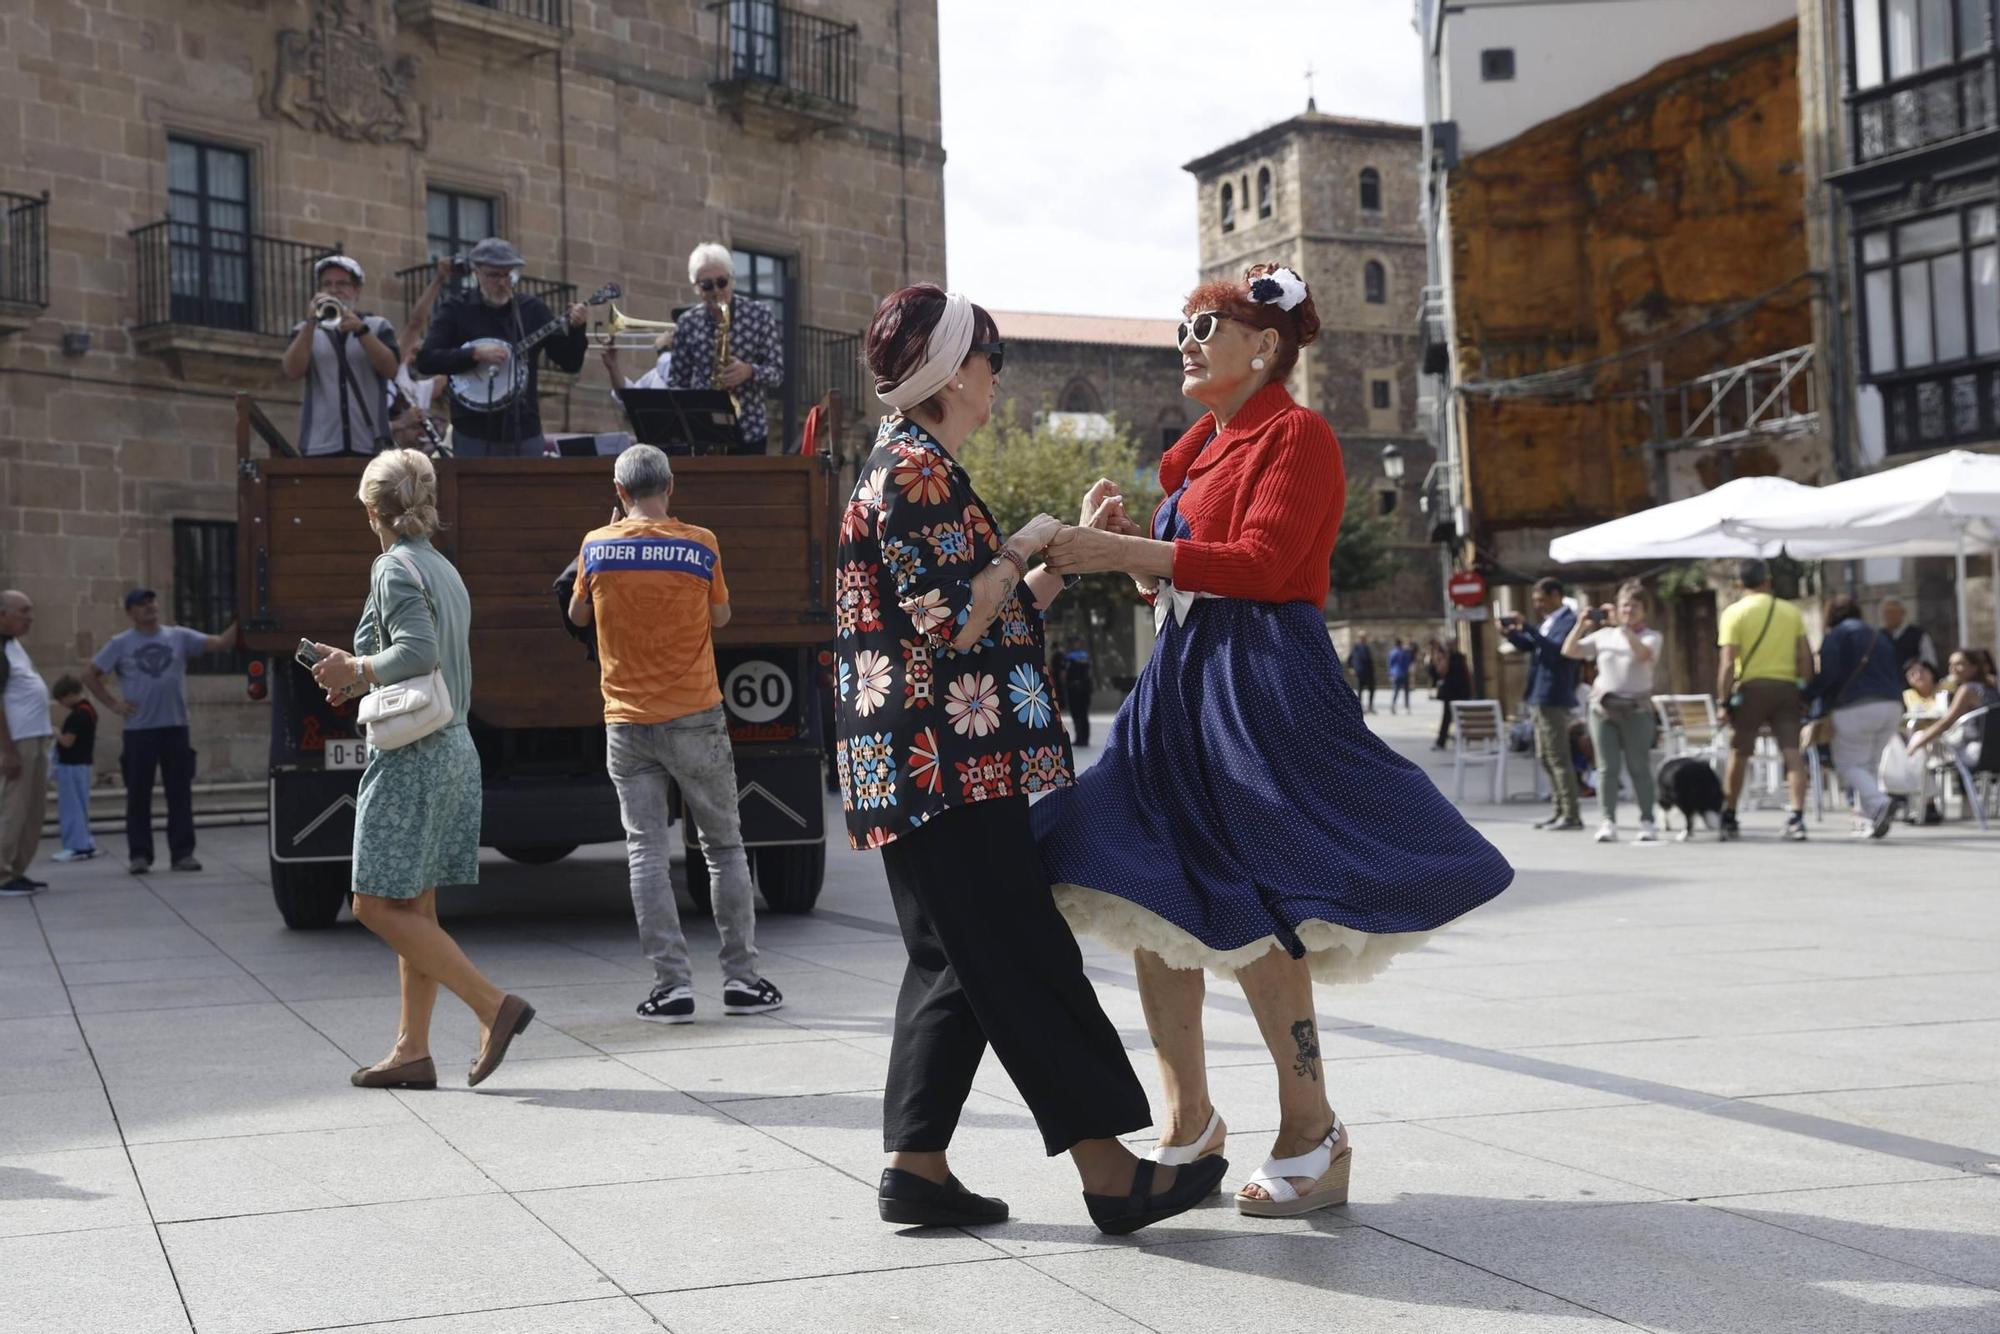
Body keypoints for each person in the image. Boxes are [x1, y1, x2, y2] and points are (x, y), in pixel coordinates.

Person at [1037, 263, 1513, 1218]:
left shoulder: (1298, 435)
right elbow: (1194, 577)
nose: (1186, 342)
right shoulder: (1205, 447)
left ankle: (1312, 1129)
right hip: (1181, 675)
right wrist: (1139, 559)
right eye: (1184, 325)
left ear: (1264, 345)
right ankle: (1189, 1124)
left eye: (1205, 326)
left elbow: (1261, 565)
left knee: (1254, 893)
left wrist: (1128, 553)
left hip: (1256, 677)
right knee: (1144, 881)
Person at [835, 283, 1227, 1235]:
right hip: (948, 760)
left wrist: (1052, 558)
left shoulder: (910, 464)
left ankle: (916, 1167)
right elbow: (957, 622)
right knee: (1021, 952)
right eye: (988, 356)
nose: (997, 374)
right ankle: (1108, 1173)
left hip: (919, 759)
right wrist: (1025, 542)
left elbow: (983, 609)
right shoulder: (917, 472)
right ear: (949, 372)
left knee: (951, 960)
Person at [306, 450, 534, 1090]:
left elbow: (416, 651)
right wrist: (353, 667)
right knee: (416, 907)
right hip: (454, 745)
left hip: (414, 755)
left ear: (371, 509)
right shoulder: (442, 568)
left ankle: (494, 1006)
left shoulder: (392, 566)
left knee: (375, 904)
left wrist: (357, 670)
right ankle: (412, 1050)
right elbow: (420, 657)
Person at [567, 444, 783, 1024]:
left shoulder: (596, 546)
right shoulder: (700, 543)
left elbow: (578, 617)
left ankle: (671, 988)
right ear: (672, 487)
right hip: (696, 717)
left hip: (627, 722)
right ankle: (741, 980)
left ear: (619, 493)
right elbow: (721, 618)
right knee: (723, 847)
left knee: (645, 852)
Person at [85, 589, 234, 875]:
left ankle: (182, 854)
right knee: (138, 795)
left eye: (151, 601)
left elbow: (220, 643)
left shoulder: (178, 636)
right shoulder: (120, 643)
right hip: (139, 731)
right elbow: (90, 674)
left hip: (175, 728)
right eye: (141, 604)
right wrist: (114, 704)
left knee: (179, 793)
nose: (149, 607)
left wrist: (245, 615)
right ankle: (140, 855)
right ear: (131, 612)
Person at [414, 237, 588, 457]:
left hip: (525, 432)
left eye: (507, 274)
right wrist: (474, 354)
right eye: (493, 275)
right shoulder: (456, 309)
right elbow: (427, 360)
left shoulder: (532, 310)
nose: (502, 282)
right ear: (476, 273)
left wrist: (577, 329)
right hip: (473, 433)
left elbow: (570, 363)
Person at [1714, 558, 1813, 842]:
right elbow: (1805, 655)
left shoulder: (1734, 613)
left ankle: (1730, 813)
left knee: (1740, 752)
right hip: (1785, 688)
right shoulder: (1790, 611)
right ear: (1768, 581)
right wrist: (1803, 686)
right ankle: (1796, 816)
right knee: (1792, 752)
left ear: (1738, 584)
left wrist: (1723, 700)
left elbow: (1727, 663)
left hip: (1751, 689)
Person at [1561, 581, 1662, 843]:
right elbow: (1569, 650)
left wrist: (1624, 628)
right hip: (1603, 708)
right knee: (1606, 767)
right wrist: (1581, 624)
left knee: (1638, 766)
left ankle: (1647, 820)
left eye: (1635, 606)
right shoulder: (1604, 636)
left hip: (1636, 709)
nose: (1629, 610)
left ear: (1645, 610)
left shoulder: (1651, 636)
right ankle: (1608, 821)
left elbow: (1642, 655)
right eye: (1624, 605)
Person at [665, 243, 784, 453]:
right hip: (703, 432)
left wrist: (749, 371)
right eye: (707, 286)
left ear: (732, 279)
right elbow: (677, 382)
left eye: (722, 282)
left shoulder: (760, 314)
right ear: (696, 288)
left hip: (750, 430)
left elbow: (777, 373)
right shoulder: (687, 323)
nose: (717, 291)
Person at [1805, 595, 1904, 839]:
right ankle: (1870, 817)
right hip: (1892, 705)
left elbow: (1828, 674)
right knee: (1869, 763)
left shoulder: (1837, 635)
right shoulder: (1877, 635)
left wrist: (1809, 696)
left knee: (1848, 763)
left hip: (1855, 706)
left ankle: (1879, 802)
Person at [281, 255, 399, 457]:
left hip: (369, 446)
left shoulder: (377, 326)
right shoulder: (303, 331)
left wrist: (362, 331)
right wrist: (310, 323)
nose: (334, 290)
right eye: (327, 284)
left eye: (342, 283)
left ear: (357, 290)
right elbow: (292, 371)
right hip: (320, 447)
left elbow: (390, 369)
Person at [1500, 577, 1582, 830]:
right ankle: (1558, 810)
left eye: (1541, 599)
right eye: (1535, 600)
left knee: (1558, 756)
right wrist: (1513, 634)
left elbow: (1556, 651)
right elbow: (1533, 647)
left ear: (1556, 595)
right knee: (1544, 756)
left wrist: (1529, 627)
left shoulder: (1569, 620)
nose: (1537, 605)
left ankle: (1571, 814)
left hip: (1553, 695)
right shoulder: (1549, 622)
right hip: (1537, 694)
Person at [1, 590, 52, 897]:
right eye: (24, 611)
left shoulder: (14, 646)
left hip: (36, 736)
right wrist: (6, 750)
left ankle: (17, 869)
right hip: (17, 741)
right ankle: (2, 873)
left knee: (34, 810)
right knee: (13, 808)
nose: (30, 617)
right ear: (3, 614)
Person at [1907, 647, 2000, 773]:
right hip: (1994, 750)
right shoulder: (1991, 687)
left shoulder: (1968, 690)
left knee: (1922, 738)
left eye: (1959, 664)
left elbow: (1946, 723)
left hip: (1975, 752)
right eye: (1950, 664)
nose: (1952, 668)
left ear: (1974, 667)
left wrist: (1917, 744)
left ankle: (1923, 787)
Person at [50, 675, 98, 863]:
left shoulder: (78, 714)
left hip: (71, 765)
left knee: (71, 808)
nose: (62, 704)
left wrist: (55, 732)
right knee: (80, 805)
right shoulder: (90, 710)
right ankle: (84, 843)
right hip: (83, 764)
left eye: (62, 699)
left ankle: (77, 846)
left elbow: (68, 742)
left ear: (69, 695)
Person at [600, 327, 675, 398]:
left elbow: (675, 377)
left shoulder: (670, 368)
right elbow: (630, 397)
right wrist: (613, 367)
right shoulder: (656, 373)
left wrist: (663, 350)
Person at [1879, 597, 1938, 676]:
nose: (1890, 616)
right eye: (1887, 612)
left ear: (1903, 613)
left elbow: (1930, 661)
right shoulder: (1877, 637)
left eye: (1894, 612)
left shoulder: (1919, 634)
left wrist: (1916, 665)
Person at [1432, 643, 1472, 750]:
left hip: (1451, 692)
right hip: (1461, 691)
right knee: (1460, 717)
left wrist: (1439, 659)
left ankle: (1442, 741)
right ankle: (1463, 740)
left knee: (1447, 717)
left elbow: (1441, 671)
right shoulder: (1460, 659)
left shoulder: (1449, 659)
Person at [1061, 639, 1096, 747]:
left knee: (1076, 714)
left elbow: (1063, 674)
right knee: (1084, 714)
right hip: (1085, 689)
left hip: (1074, 689)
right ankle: (1085, 738)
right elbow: (1090, 673)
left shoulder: (1068, 658)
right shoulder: (1085, 657)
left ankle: (1079, 738)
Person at [1349, 630, 1377, 713]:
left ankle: (1370, 706)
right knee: (1360, 690)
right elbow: (1350, 659)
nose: (1364, 639)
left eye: (1364, 637)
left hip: (1369, 672)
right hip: (1360, 672)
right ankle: (1360, 707)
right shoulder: (1356, 647)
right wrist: (1351, 668)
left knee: (1372, 689)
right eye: (1362, 637)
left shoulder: (1366, 647)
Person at [1387, 638, 1414, 714]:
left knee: (1395, 691)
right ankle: (1407, 707)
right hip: (1404, 674)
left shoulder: (1392, 653)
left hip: (1395, 674)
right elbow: (1407, 663)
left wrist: (1390, 674)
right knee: (1406, 692)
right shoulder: (1404, 653)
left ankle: (1393, 705)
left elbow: (1390, 664)